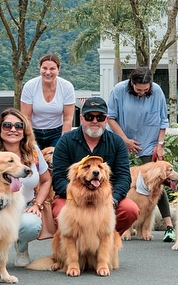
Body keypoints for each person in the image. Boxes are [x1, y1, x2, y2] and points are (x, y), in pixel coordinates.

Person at [51, 96, 139, 235]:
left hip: (106, 198)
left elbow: (124, 177)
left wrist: (112, 199)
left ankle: (107, 239)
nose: (94, 121)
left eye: (100, 117)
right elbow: (58, 178)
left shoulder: (117, 143)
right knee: (59, 212)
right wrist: (78, 197)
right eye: (89, 117)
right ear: (81, 118)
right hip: (72, 197)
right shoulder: (66, 141)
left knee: (130, 210)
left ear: (106, 119)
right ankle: (73, 244)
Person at [106, 68, 174, 241]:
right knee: (118, 181)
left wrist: (160, 145)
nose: (142, 93)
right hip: (121, 142)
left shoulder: (157, 91)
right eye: (138, 89)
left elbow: (163, 121)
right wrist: (124, 140)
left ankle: (169, 227)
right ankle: (113, 224)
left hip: (148, 143)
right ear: (131, 83)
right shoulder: (118, 90)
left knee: (157, 182)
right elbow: (110, 117)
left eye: (146, 89)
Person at [0, 107, 52, 267]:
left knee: (30, 225)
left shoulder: (33, 152)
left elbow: (46, 180)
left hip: (25, 206)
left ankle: (21, 247)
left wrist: (37, 204)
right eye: (7, 125)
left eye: (19, 126)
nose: (13, 129)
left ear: (24, 130)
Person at [19, 52, 77, 149]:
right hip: (34, 131)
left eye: (52, 69)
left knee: (56, 156)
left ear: (58, 70)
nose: (48, 72)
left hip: (57, 132)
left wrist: (63, 142)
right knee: (34, 157)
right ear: (40, 68)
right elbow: (26, 117)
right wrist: (30, 139)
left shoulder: (67, 87)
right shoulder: (30, 86)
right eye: (44, 68)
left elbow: (68, 119)